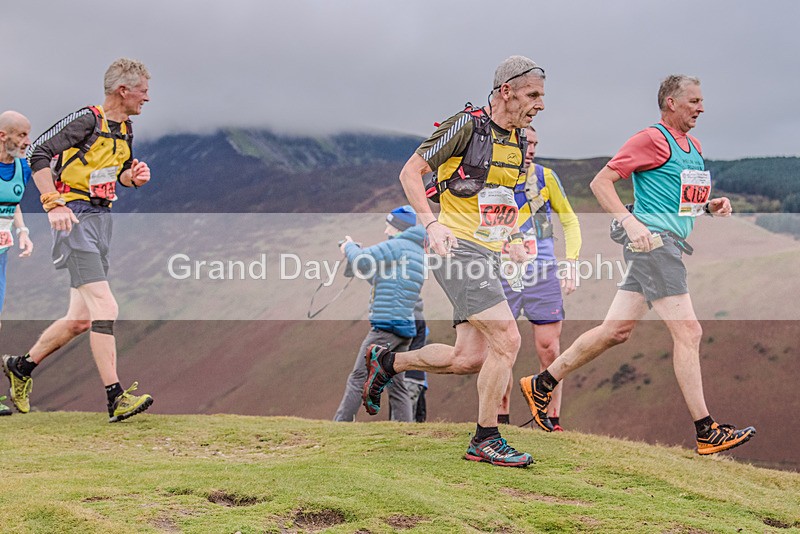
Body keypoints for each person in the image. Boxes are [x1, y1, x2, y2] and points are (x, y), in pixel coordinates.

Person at [520, 75, 756, 455]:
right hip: (653, 247)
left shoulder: (692, 146)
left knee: (615, 331)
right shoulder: (651, 138)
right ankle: (706, 430)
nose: (701, 108)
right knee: (689, 332)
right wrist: (630, 223)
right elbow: (601, 182)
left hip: (670, 245)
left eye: (701, 101)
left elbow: (682, 201)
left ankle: (542, 383)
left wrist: (709, 207)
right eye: (694, 101)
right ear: (671, 103)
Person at [362, 56, 546, 467]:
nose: (541, 105)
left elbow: (503, 198)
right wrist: (431, 225)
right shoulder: (466, 126)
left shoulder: (517, 139)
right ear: (506, 91)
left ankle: (388, 362)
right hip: (456, 249)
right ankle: (485, 438)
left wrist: (513, 237)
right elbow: (411, 172)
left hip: (488, 252)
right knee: (508, 340)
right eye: (533, 95)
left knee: (470, 358)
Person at [2, 58, 154, 422]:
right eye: (143, 91)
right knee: (106, 307)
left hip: (102, 220)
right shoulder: (87, 120)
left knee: (80, 319)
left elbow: (116, 174)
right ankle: (115, 397)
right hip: (75, 220)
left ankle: (21, 367)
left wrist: (133, 178)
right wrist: (53, 203)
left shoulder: (126, 129)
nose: (147, 98)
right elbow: (39, 153)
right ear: (123, 90)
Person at [496, 126, 581, 430]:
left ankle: (550, 419)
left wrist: (570, 263)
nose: (531, 149)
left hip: (542, 272)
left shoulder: (545, 177)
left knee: (549, 348)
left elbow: (569, 220)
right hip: (502, 272)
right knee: (501, 348)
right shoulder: (494, 175)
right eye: (526, 142)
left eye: (535, 144)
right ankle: (500, 420)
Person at [333, 206, 425, 422]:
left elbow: (363, 260)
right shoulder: (415, 251)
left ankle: (340, 425)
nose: (385, 231)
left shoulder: (397, 246)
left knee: (359, 377)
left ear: (397, 227)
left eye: (388, 225)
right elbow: (378, 277)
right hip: (404, 329)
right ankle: (406, 429)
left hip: (386, 327)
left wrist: (349, 248)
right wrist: (355, 255)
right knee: (396, 383)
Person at [0, 111, 36, 416]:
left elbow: (14, 202)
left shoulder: (22, 168)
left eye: (28, 135)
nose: (27, 142)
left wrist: (22, 232)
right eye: (21, 135)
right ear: (3, 136)